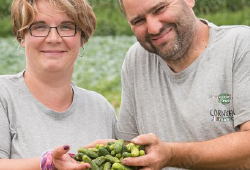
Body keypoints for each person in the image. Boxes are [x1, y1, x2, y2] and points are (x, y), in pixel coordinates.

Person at [115, 0, 250, 169]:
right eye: (138, 21)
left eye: (160, 9)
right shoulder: (136, 59)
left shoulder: (240, 45)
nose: (153, 28)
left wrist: (171, 154)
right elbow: (129, 144)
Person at [0, 0, 116, 170]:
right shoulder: (4, 95)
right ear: (21, 37)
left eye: (66, 27)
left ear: (82, 38)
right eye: (39, 27)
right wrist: (48, 163)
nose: (53, 38)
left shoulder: (101, 109)